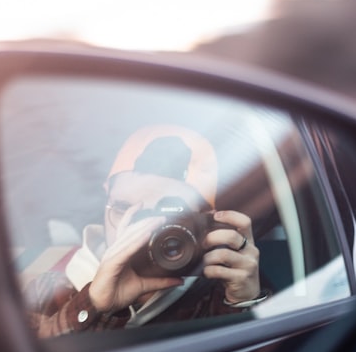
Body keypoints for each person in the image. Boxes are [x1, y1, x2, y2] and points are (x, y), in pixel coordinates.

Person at [25, 125, 268, 337]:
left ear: (206, 222)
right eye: (122, 209)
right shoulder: (50, 289)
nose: (140, 229)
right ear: (105, 200)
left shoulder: (219, 291)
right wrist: (94, 305)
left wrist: (243, 303)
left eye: (171, 216)